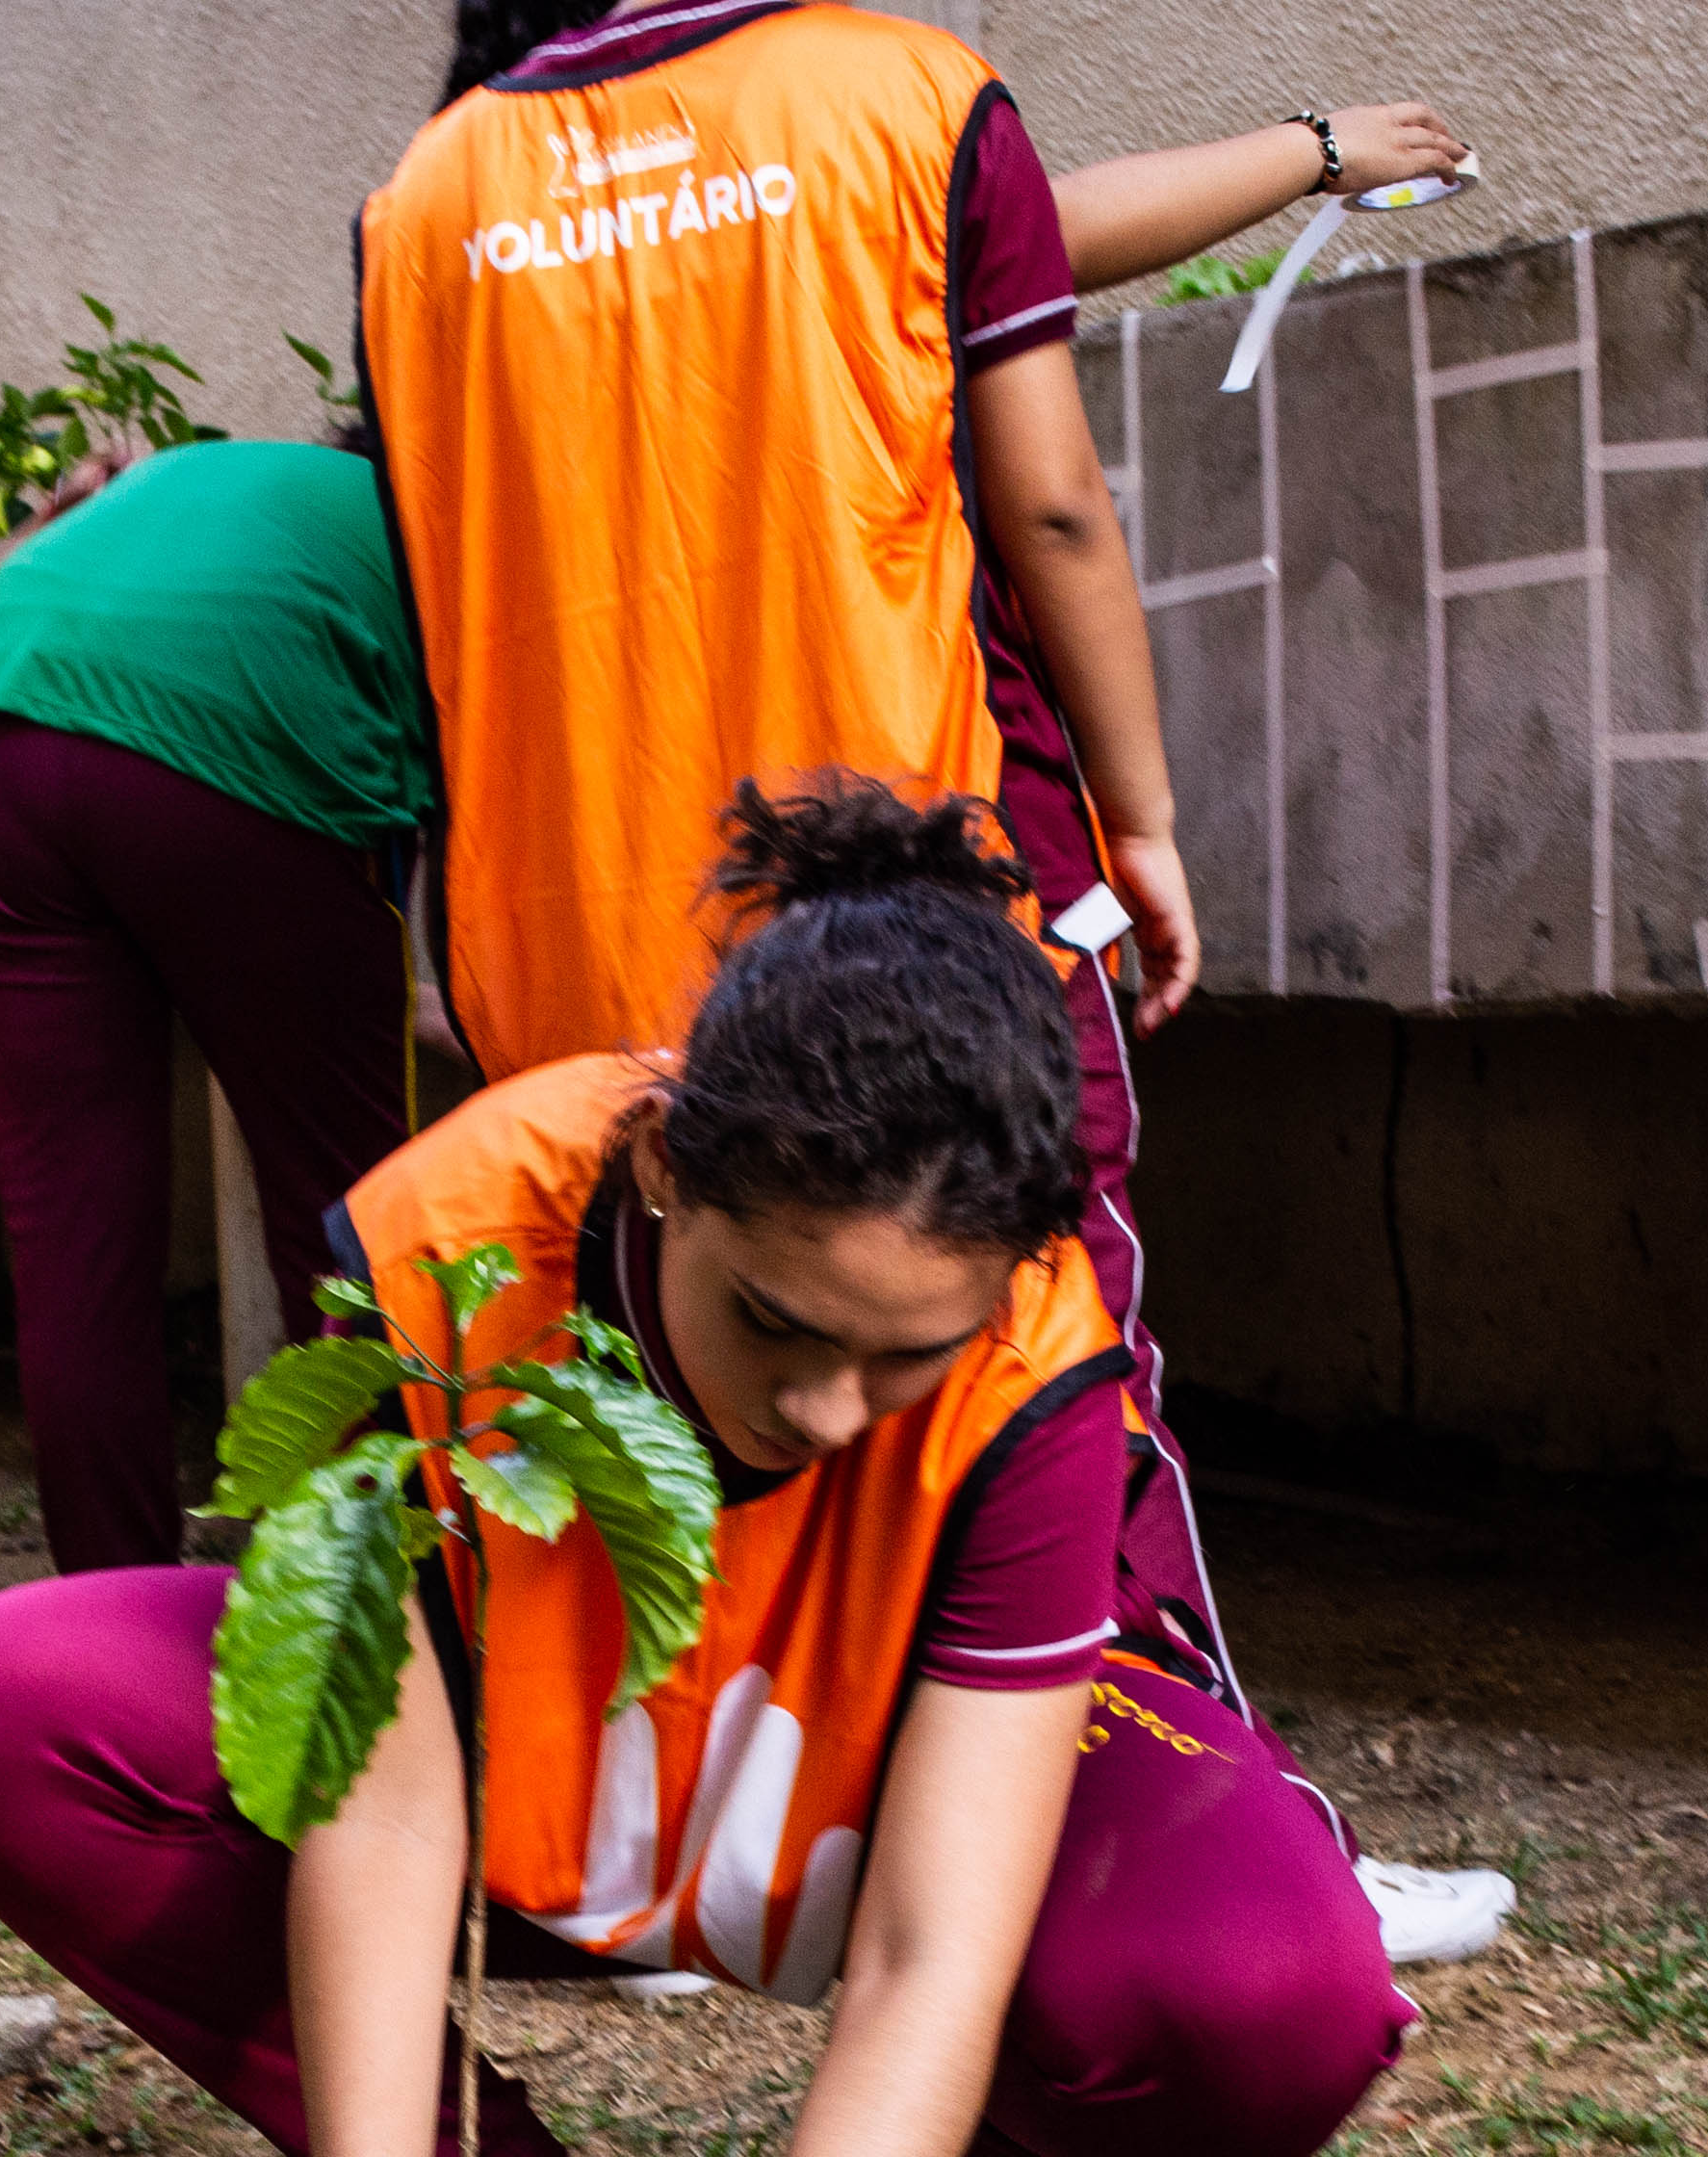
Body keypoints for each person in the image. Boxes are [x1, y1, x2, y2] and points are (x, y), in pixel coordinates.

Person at [0, 781, 1425, 2157]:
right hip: (573, 1794)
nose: (834, 1411)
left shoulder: (1037, 1357)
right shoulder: (454, 1243)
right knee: (7, 1705)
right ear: (660, 1176)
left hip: (867, 1816)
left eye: (906, 1360)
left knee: (1271, 1993)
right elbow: (378, 1774)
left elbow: (941, 1937)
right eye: (778, 1324)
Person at [367, 3, 1472, 1702]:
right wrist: (1145, 819)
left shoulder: (422, 199)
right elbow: (1047, 508)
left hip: (568, 912)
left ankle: (656, 1830)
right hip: (907, 908)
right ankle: (1152, 1815)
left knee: (658, 1359)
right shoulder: (900, 92)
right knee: (1036, 1330)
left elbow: (439, 588)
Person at [0, 435, 429, 1576]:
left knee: (73, 1239)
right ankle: (364, 1582)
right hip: (231, 754)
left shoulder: (213, 473)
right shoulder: (434, 523)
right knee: (343, 1214)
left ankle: (110, 1594)